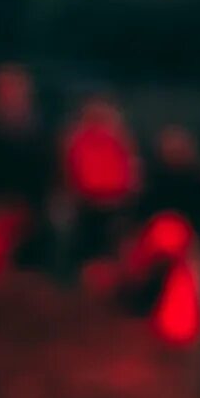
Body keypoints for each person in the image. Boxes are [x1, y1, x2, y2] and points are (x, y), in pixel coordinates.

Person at [0, 62, 56, 270]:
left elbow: (49, 188)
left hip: (33, 221)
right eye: (3, 94)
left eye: (15, 91)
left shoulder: (45, 139)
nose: (11, 100)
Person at [59, 95, 143, 274]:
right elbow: (68, 175)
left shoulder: (120, 140)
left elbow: (131, 176)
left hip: (116, 209)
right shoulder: (75, 139)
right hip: (85, 209)